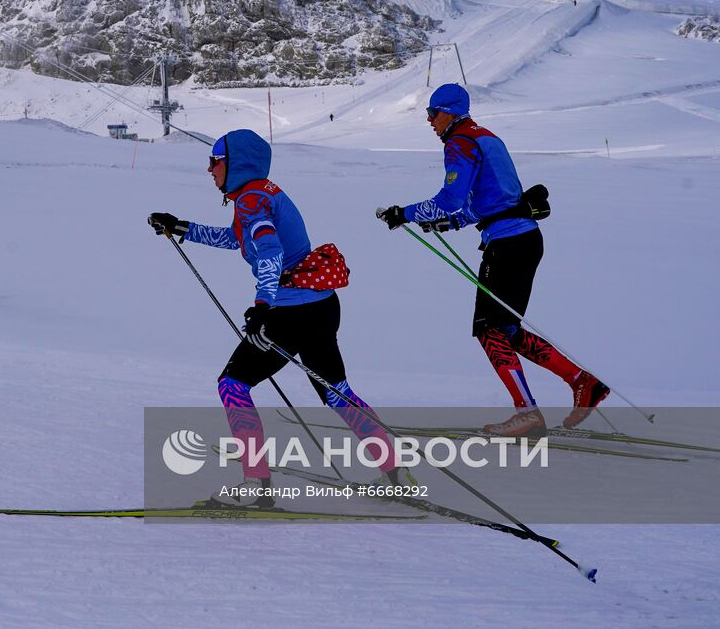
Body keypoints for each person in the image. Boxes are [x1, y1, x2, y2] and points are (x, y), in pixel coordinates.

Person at [150, 129, 407, 508]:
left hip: (290, 314)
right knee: (337, 392)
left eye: (214, 161)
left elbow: (268, 252)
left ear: (234, 164)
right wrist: (182, 227)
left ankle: (257, 488)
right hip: (320, 306)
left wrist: (262, 306)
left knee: (232, 385)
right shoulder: (260, 193)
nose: (209, 170)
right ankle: (396, 472)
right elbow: (237, 238)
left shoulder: (251, 199)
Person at [377, 84, 609, 437]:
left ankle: (527, 413)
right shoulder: (487, 137)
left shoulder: (460, 141)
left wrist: (403, 213)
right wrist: (449, 222)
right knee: (508, 331)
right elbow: (489, 200)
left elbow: (450, 199)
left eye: (432, 113)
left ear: (450, 112)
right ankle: (582, 382)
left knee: (489, 331)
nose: (429, 121)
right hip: (524, 239)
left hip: (508, 244)